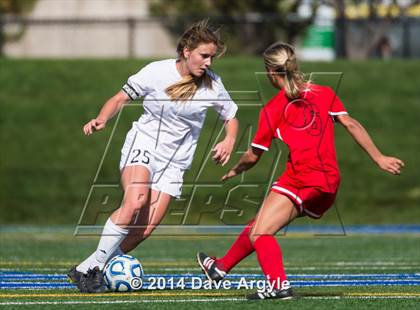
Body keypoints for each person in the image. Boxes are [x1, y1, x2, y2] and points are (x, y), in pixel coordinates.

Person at [197, 42, 404, 300]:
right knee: (263, 223)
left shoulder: (273, 109)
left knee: (262, 232)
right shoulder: (324, 92)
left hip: (302, 178)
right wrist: (379, 157)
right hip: (327, 183)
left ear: (272, 73)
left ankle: (278, 285)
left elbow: (253, 156)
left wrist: (235, 169)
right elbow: (350, 123)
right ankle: (220, 267)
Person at [68, 20, 239, 293]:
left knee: (143, 230)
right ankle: (93, 268)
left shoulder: (213, 85)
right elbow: (119, 98)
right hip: (144, 144)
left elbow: (231, 117)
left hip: (175, 163)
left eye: (211, 57)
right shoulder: (156, 72)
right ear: (186, 51)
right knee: (136, 200)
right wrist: (101, 119)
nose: (208, 62)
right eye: (203, 55)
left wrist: (229, 139)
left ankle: (87, 268)